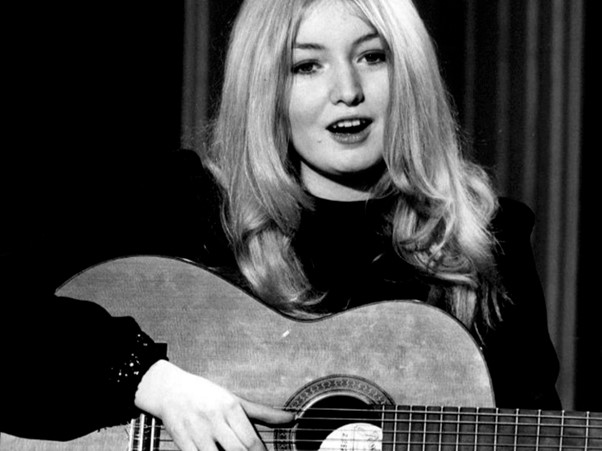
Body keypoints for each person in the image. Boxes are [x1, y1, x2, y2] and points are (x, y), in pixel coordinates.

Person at [1, 0, 561, 450]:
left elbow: (534, 431)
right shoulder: (185, 207)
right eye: (306, 65)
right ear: (266, 85)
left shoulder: (487, 243)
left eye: (372, 56)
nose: (348, 90)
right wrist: (151, 379)